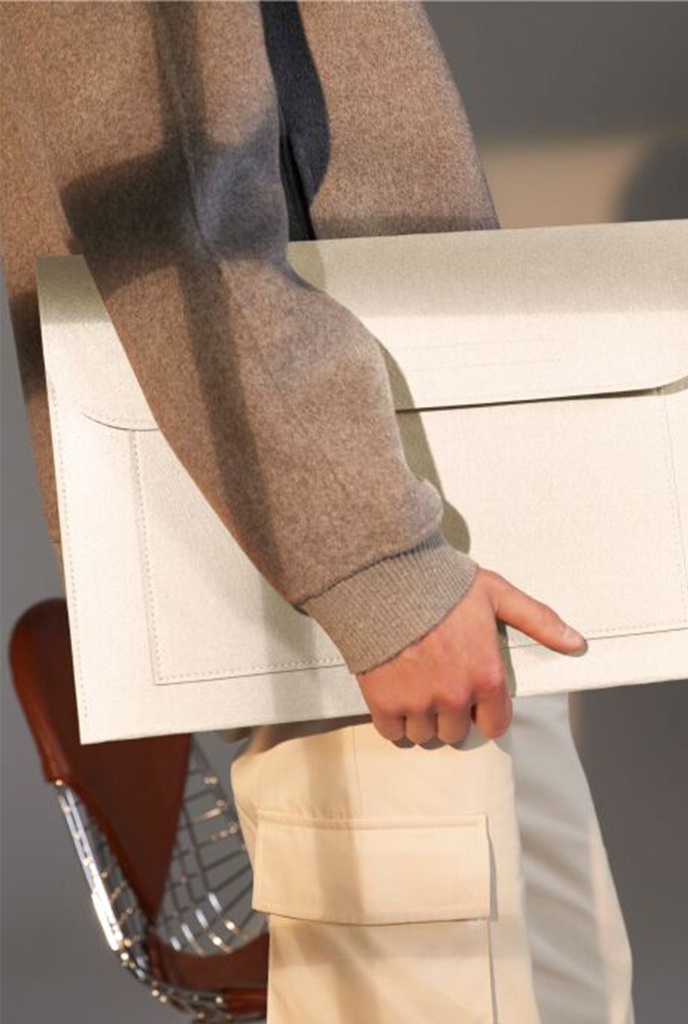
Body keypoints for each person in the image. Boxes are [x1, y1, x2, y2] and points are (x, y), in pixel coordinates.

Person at [0, 2, 634, 1021]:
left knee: (568, 992)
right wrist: (375, 570)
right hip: (354, 561)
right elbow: (175, 210)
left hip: (437, 537)